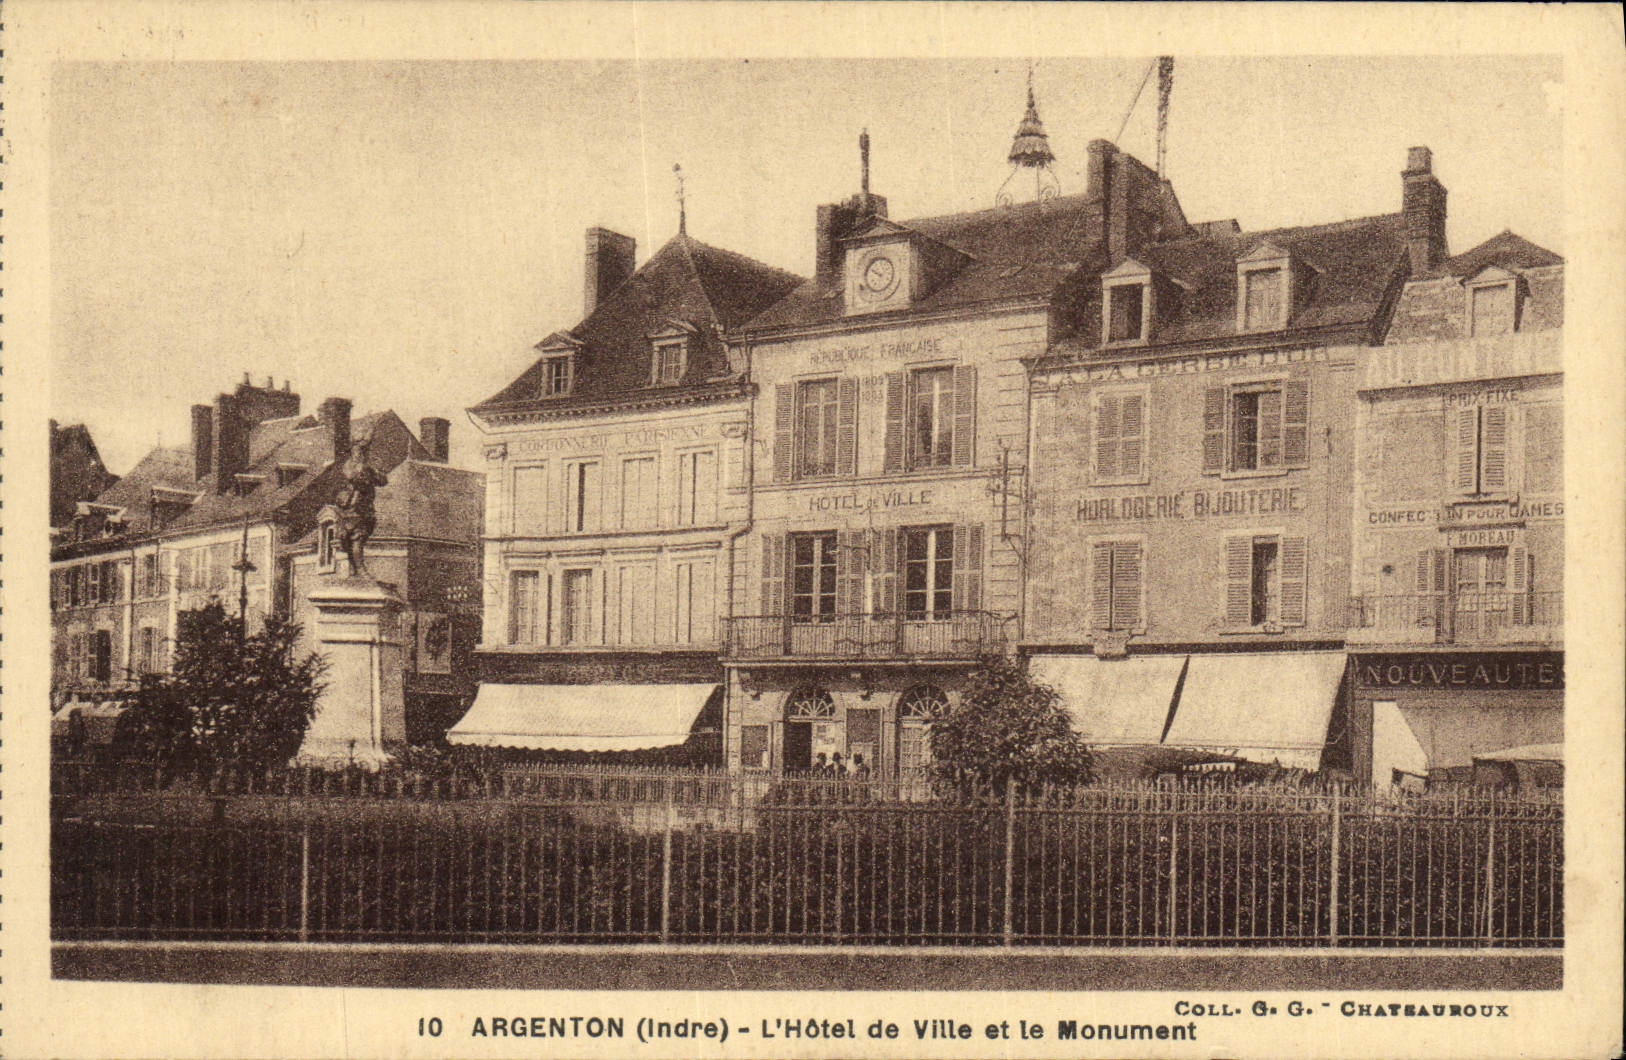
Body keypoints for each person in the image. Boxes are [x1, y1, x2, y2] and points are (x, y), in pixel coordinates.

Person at [334, 439, 389, 576]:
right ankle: (359, 569)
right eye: (360, 450)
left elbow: (383, 481)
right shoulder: (351, 466)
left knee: (356, 539)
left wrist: (373, 471)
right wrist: (368, 472)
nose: (362, 453)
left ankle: (356, 569)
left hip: (363, 508)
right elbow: (355, 478)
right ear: (353, 451)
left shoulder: (366, 467)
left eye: (364, 451)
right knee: (356, 538)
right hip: (353, 508)